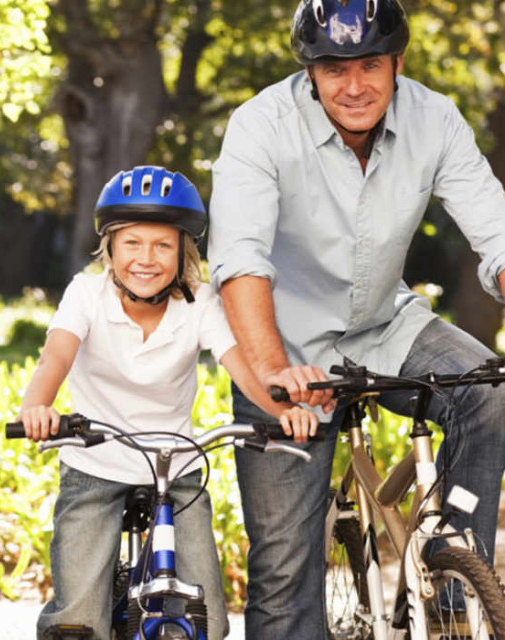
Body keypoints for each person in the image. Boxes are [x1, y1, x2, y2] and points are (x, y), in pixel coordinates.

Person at [206, 0, 505, 637]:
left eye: (371, 65)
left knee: (489, 394)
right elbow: (241, 259)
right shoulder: (260, 124)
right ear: (309, 72)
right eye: (334, 69)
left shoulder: (435, 118)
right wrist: (272, 370)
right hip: (284, 345)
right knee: (283, 576)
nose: (354, 87)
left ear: (398, 63)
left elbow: (501, 238)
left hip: (386, 325)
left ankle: (454, 577)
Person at [19, 166, 319, 640]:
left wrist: (283, 413)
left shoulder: (200, 302)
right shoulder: (86, 293)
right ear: (110, 248)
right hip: (96, 462)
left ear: (183, 251)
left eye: (162, 245)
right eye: (133, 243)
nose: (146, 258)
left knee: (208, 622)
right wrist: (37, 406)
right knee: (77, 620)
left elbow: (240, 366)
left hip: (174, 466)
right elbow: (55, 356)